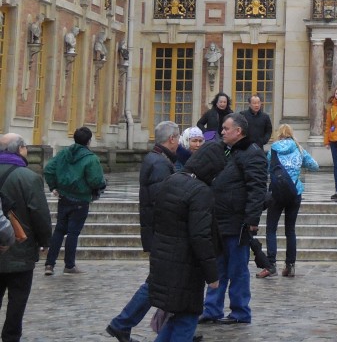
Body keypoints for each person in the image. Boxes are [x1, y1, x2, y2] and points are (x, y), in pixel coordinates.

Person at [106, 121, 180, 342]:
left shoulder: (157, 159)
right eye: (178, 138)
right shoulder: (159, 164)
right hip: (161, 233)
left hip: (157, 232)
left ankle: (174, 327)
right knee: (157, 282)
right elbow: (162, 202)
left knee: (166, 282)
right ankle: (123, 322)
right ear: (172, 139)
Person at [148, 141, 226, 342]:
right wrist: (212, 275)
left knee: (176, 317)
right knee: (186, 319)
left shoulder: (172, 180)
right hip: (186, 267)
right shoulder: (200, 192)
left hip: (164, 261)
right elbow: (200, 236)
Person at [199, 112, 268, 325]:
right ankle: (212, 309)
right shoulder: (229, 151)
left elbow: (257, 188)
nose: (222, 131)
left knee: (237, 269)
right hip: (220, 220)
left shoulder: (252, 152)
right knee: (217, 267)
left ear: (238, 131)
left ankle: (240, 311)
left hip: (237, 222)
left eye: (226, 129)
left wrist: (252, 220)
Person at [0, 133, 52, 342]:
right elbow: (39, 213)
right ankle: (11, 337)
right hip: (20, 249)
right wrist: (45, 241)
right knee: (17, 300)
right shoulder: (29, 177)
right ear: (20, 148)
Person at [43, 126, 106, 276]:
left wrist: (54, 186)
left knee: (59, 230)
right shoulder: (91, 159)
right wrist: (99, 186)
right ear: (89, 141)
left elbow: (49, 169)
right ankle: (69, 265)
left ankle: (49, 265)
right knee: (73, 233)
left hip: (64, 197)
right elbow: (96, 180)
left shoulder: (64, 153)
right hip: (81, 199)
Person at [259, 124, 319, 278]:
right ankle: (290, 265)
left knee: (271, 228)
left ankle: (271, 264)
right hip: (294, 192)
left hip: (277, 193)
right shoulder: (299, 149)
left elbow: (266, 169)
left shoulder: (274, 149)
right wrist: (298, 167)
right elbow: (315, 166)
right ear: (291, 134)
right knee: (290, 230)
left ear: (279, 134)